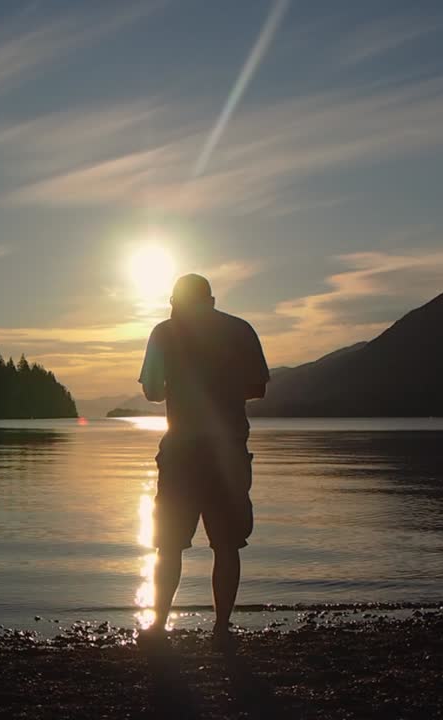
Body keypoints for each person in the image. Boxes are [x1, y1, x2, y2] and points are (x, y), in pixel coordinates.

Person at [137, 273, 269, 648]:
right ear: (210, 300)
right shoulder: (240, 330)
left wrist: (181, 386)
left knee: (169, 544)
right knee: (227, 544)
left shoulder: (164, 333)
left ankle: (159, 624)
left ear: (176, 301)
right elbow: (257, 387)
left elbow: (150, 392)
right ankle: (221, 628)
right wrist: (223, 388)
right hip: (228, 450)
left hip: (181, 453)